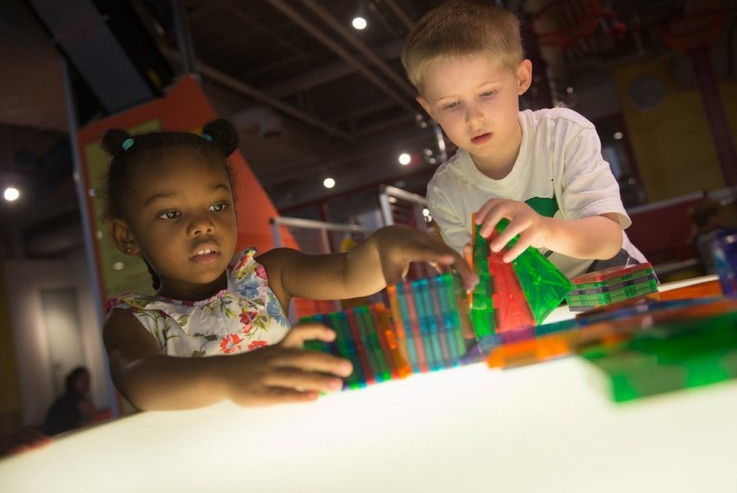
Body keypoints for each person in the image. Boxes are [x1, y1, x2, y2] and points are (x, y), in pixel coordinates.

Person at [101, 119, 476, 412]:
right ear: (126, 236)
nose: (203, 224)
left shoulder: (267, 276)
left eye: (218, 206)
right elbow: (139, 378)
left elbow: (349, 273)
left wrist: (384, 245)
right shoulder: (135, 320)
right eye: (170, 213)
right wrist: (229, 376)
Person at [401, 0, 646, 278]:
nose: (474, 118)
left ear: (521, 78)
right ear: (429, 109)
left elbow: (607, 239)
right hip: (542, 311)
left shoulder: (563, 133)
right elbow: (479, 283)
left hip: (616, 280)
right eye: (451, 105)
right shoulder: (445, 193)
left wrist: (543, 229)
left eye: (487, 93)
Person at [42, 366, 97, 436]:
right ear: (74, 381)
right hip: (57, 435)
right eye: (84, 380)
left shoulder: (68, 397)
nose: (88, 383)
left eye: (88, 380)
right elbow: (95, 414)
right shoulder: (74, 398)